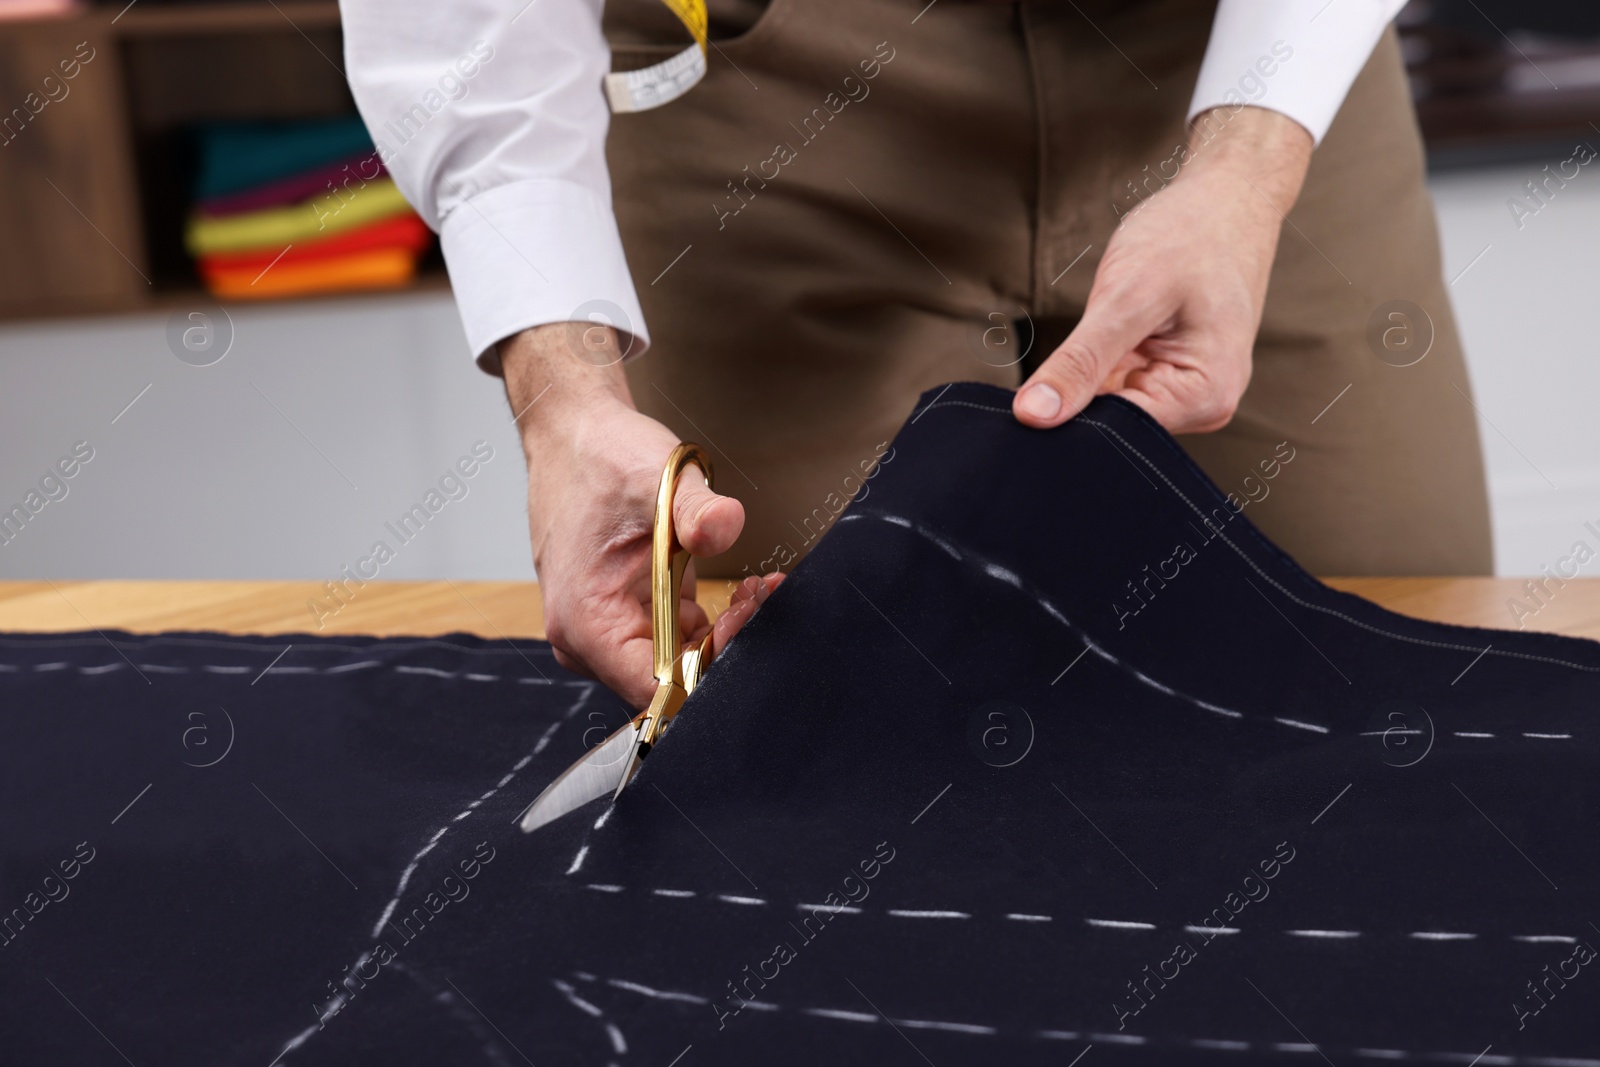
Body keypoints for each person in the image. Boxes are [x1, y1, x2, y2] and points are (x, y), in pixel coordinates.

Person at [343, 0, 1493, 707]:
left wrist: (1249, 168)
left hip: (1235, 52)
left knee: (1407, 689)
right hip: (768, 74)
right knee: (800, 733)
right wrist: (563, 391)